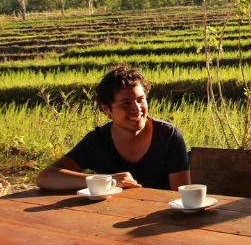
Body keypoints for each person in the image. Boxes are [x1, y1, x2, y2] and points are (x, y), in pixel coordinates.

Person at [36, 65, 190, 192]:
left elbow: (180, 196)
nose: (137, 109)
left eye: (140, 100)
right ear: (106, 109)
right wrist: (107, 180)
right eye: (126, 103)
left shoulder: (168, 136)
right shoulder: (98, 141)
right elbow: (46, 177)